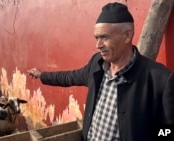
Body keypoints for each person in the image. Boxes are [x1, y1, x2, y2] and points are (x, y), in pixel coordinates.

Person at [27, 2, 174, 141]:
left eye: (104, 37)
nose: (98, 45)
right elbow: (70, 77)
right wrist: (42, 75)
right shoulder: (97, 65)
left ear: (127, 35)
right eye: (96, 38)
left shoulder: (160, 80)